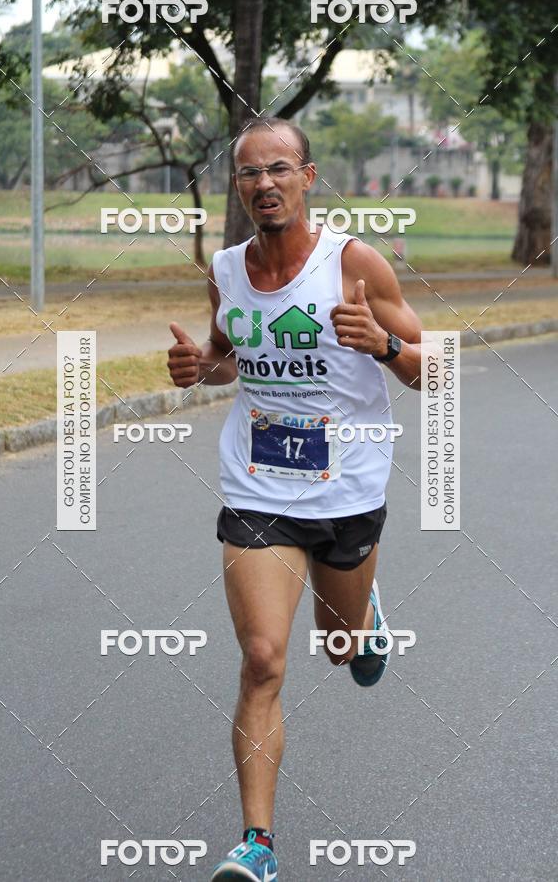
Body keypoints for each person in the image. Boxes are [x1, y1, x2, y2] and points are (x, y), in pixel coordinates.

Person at [167, 116, 423, 882]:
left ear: (307, 178)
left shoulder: (355, 264)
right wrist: (196, 371)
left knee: (338, 647)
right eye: (250, 173)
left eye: (280, 169)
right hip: (258, 483)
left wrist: (380, 344)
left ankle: (361, 616)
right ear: (238, 187)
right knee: (262, 659)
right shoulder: (226, 269)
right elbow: (224, 360)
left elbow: (430, 370)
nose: (265, 184)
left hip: (347, 485)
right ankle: (257, 845)